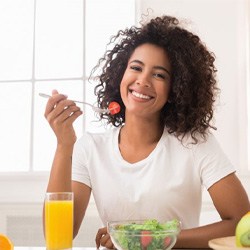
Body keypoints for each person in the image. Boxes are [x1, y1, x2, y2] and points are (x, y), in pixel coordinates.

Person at [43, 15, 250, 249]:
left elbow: (241, 221)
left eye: (159, 74)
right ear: (121, 74)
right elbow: (59, 234)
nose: (143, 80)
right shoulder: (91, 148)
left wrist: (150, 239)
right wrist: (63, 145)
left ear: (176, 89)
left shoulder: (194, 142)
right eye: (136, 68)